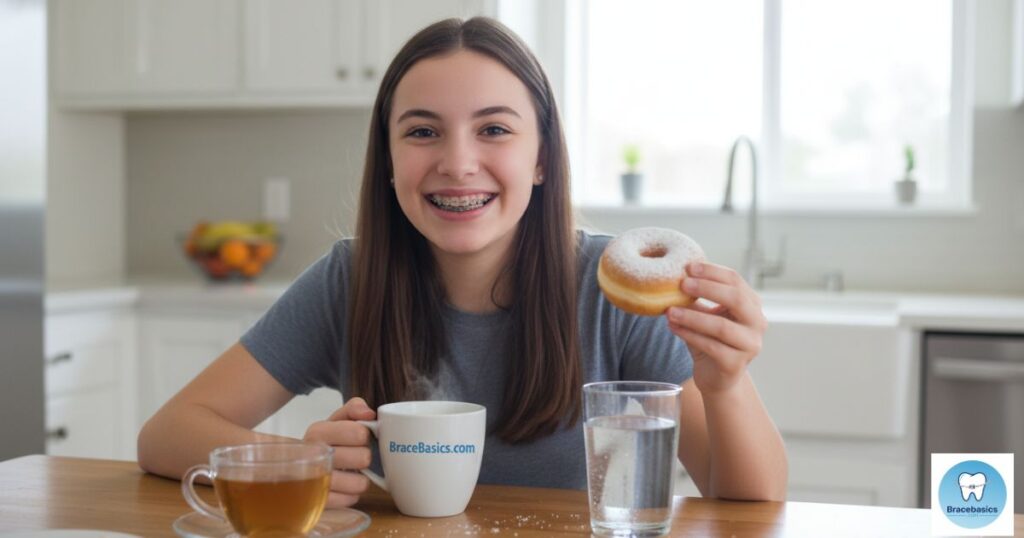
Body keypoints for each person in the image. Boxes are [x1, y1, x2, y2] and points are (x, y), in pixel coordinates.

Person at [137, 17, 787, 507]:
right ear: (389, 160)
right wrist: (300, 462)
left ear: (540, 158)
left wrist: (725, 386)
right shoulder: (349, 282)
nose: (457, 162)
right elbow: (167, 434)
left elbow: (754, 500)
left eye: (494, 129)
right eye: (422, 131)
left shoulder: (610, 290)